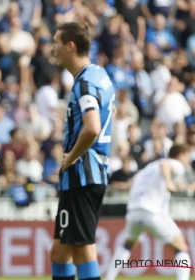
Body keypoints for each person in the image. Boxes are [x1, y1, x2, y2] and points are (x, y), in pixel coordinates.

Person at [50, 22, 116, 280]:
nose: (52, 47)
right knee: (59, 252)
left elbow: (92, 128)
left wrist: (71, 157)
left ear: (70, 46)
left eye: (56, 41)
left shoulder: (84, 83)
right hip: (93, 172)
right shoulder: (100, 75)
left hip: (82, 174)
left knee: (83, 249)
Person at [105, 144, 192, 280]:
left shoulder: (147, 169)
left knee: (128, 245)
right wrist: (169, 183)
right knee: (181, 247)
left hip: (134, 211)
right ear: (181, 155)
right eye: (187, 156)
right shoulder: (174, 163)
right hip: (152, 211)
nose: (188, 161)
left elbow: (129, 185)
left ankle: (109, 278)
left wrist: (111, 185)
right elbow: (166, 165)